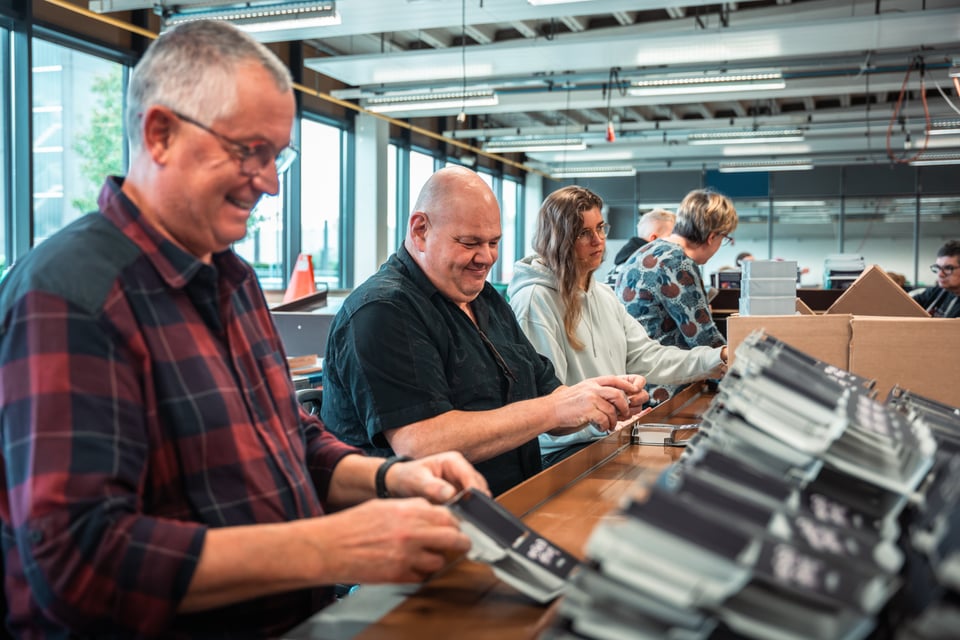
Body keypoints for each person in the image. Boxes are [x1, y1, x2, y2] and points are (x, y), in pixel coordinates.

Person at [0, 21, 489, 638]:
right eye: (249, 151)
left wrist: (390, 478)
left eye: (277, 156)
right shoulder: (71, 296)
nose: (271, 182)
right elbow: (79, 563)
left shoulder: (231, 279)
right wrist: (329, 547)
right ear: (160, 134)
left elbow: (285, 439)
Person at [321, 166, 647, 496]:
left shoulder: (484, 299)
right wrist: (556, 409)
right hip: (426, 518)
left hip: (513, 501)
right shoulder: (383, 310)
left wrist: (597, 398)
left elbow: (547, 395)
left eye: (493, 242)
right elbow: (421, 443)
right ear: (420, 231)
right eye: (470, 243)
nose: (487, 257)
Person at [508, 186, 727, 466]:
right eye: (584, 233)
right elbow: (551, 402)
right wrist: (614, 413)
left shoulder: (602, 294)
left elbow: (647, 357)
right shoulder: (535, 301)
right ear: (559, 239)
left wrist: (717, 358)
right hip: (564, 453)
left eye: (600, 228)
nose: (598, 240)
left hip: (607, 436)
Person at [615, 188, 738, 404]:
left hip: (636, 382)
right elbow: (704, 338)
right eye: (724, 238)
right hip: (662, 389)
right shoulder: (677, 263)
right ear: (712, 237)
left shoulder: (646, 251)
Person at [605, 208, 676, 285]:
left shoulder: (621, 262)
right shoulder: (648, 267)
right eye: (672, 236)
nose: (676, 241)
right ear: (654, 239)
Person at [912, 240, 960, 318]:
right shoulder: (937, 291)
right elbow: (906, 303)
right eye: (938, 268)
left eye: (948, 268)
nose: (940, 274)